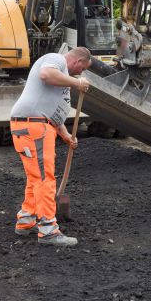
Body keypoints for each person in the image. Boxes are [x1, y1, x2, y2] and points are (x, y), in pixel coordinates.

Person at [9, 47, 92, 247]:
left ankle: (26, 220)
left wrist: (65, 135)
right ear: (78, 61)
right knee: (45, 179)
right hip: (33, 125)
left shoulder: (61, 77)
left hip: (34, 124)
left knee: (35, 177)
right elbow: (45, 74)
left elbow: (50, 111)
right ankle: (48, 230)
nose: (78, 74)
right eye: (80, 70)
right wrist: (77, 83)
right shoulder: (56, 60)